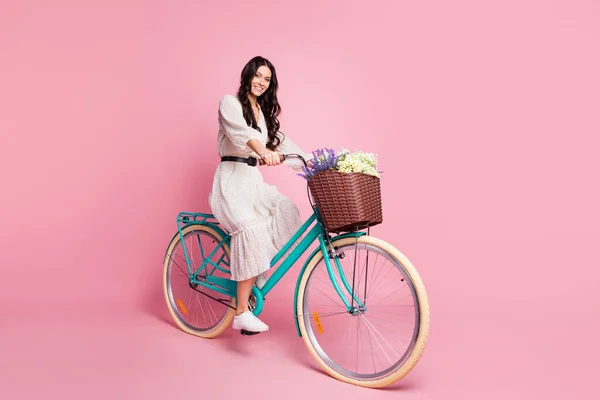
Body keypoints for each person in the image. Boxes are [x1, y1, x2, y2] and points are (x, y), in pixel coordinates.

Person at [208, 56, 312, 334]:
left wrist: (316, 161)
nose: (261, 82)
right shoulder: (230, 103)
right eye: (257, 76)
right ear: (247, 75)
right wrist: (262, 150)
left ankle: (257, 274)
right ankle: (241, 312)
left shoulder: (263, 114)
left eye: (267, 79)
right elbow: (241, 134)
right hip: (231, 181)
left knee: (287, 209)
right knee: (251, 230)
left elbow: (283, 143)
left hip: (253, 181)